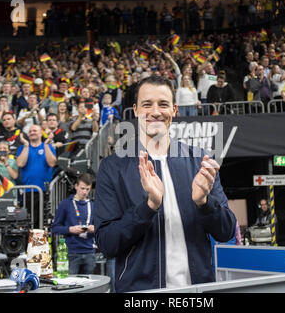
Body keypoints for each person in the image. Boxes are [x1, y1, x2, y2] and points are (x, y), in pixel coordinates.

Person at [93, 75, 236, 292]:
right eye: (147, 104)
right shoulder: (113, 167)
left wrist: (204, 202)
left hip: (198, 292)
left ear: (174, 110)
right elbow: (107, 243)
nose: (156, 112)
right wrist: (148, 206)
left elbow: (226, 231)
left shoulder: (200, 161)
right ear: (136, 110)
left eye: (163, 104)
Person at [52, 173, 96, 275]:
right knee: (70, 284)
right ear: (76, 186)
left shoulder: (93, 205)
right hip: (71, 252)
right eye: (82, 188)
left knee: (89, 286)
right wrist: (70, 229)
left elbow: (101, 228)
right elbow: (55, 228)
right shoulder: (65, 204)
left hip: (89, 252)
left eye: (88, 189)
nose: (85, 192)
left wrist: (94, 228)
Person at [16, 124, 57, 228]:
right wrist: (26, 145)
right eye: (30, 131)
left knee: (42, 223)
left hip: (44, 191)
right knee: (28, 223)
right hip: (28, 191)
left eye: (34, 130)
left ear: (40, 132)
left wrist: (47, 145)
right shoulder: (22, 147)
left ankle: (39, 244)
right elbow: (20, 163)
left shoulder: (48, 147)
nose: (32, 133)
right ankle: (29, 244)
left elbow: (52, 163)